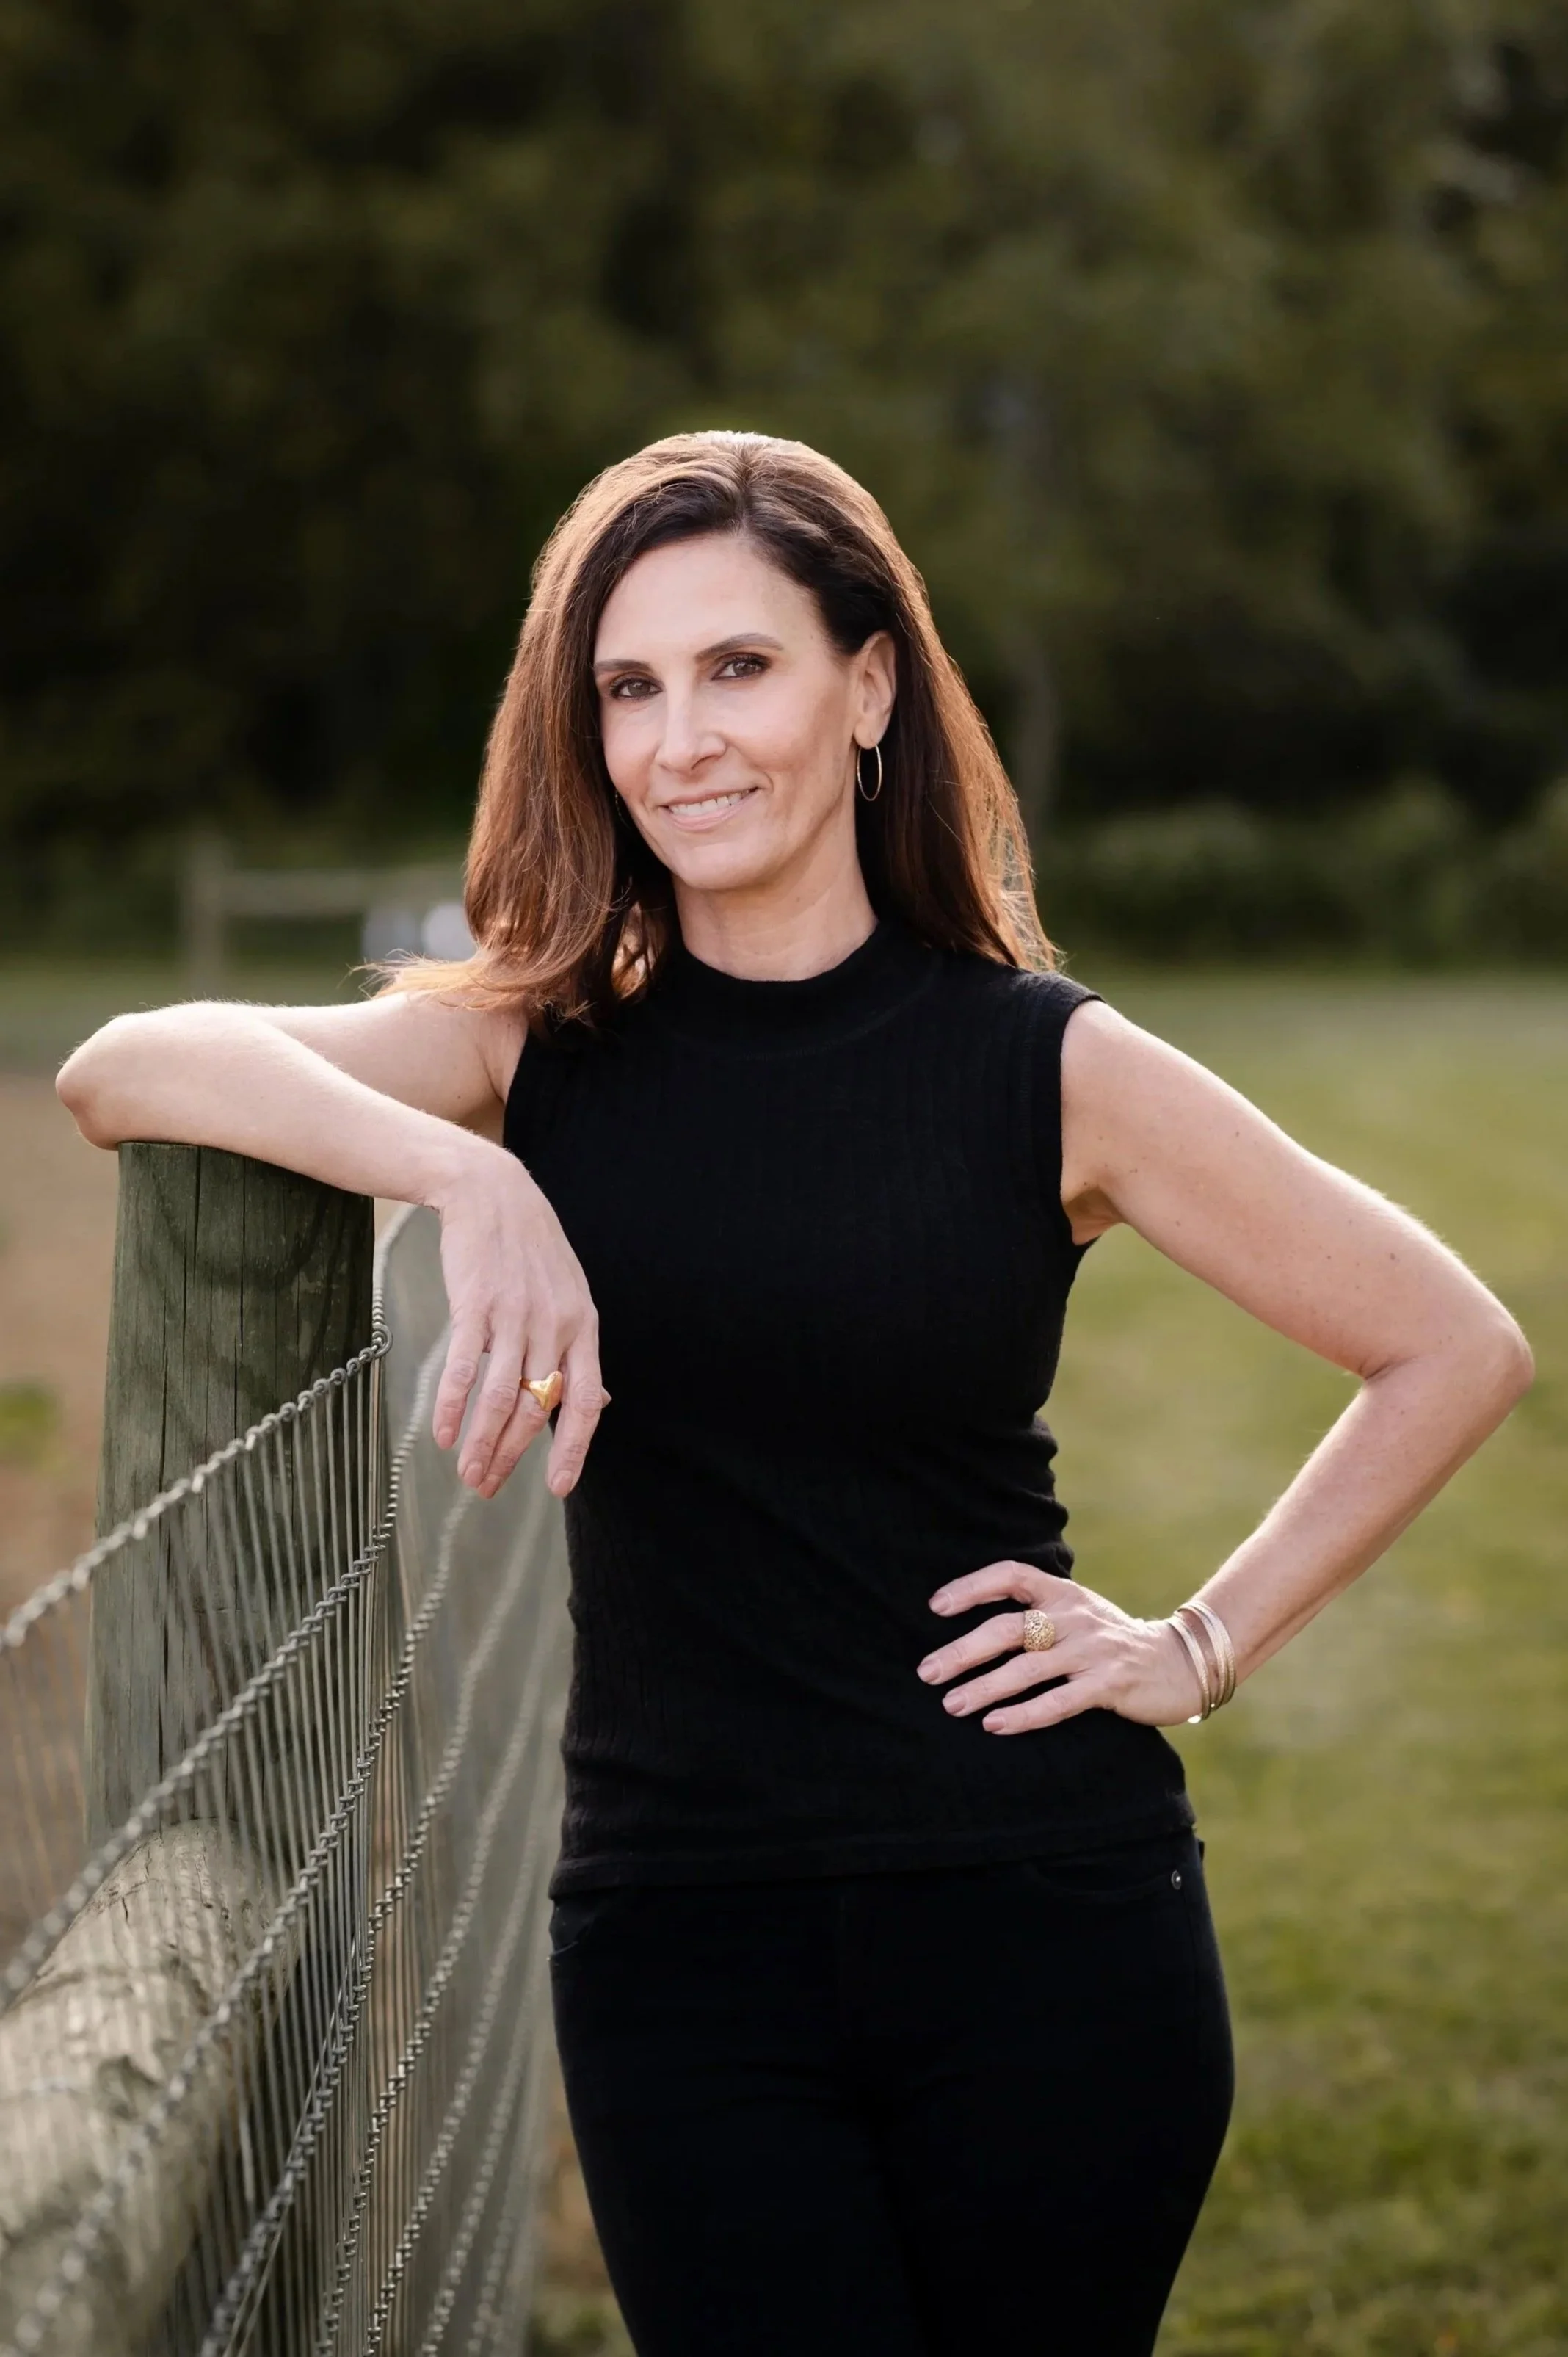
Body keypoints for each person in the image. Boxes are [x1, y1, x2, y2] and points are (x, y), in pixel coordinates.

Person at [56, 431, 1533, 2356]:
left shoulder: (1046, 1067)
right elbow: (126, 1059)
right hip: (682, 1946)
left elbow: (1452, 1344)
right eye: (630, 688)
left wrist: (1201, 1639)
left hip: (1044, 1930)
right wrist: (467, 1173)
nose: (683, 740)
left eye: (738, 667)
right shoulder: (546, 1054)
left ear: (873, 685)